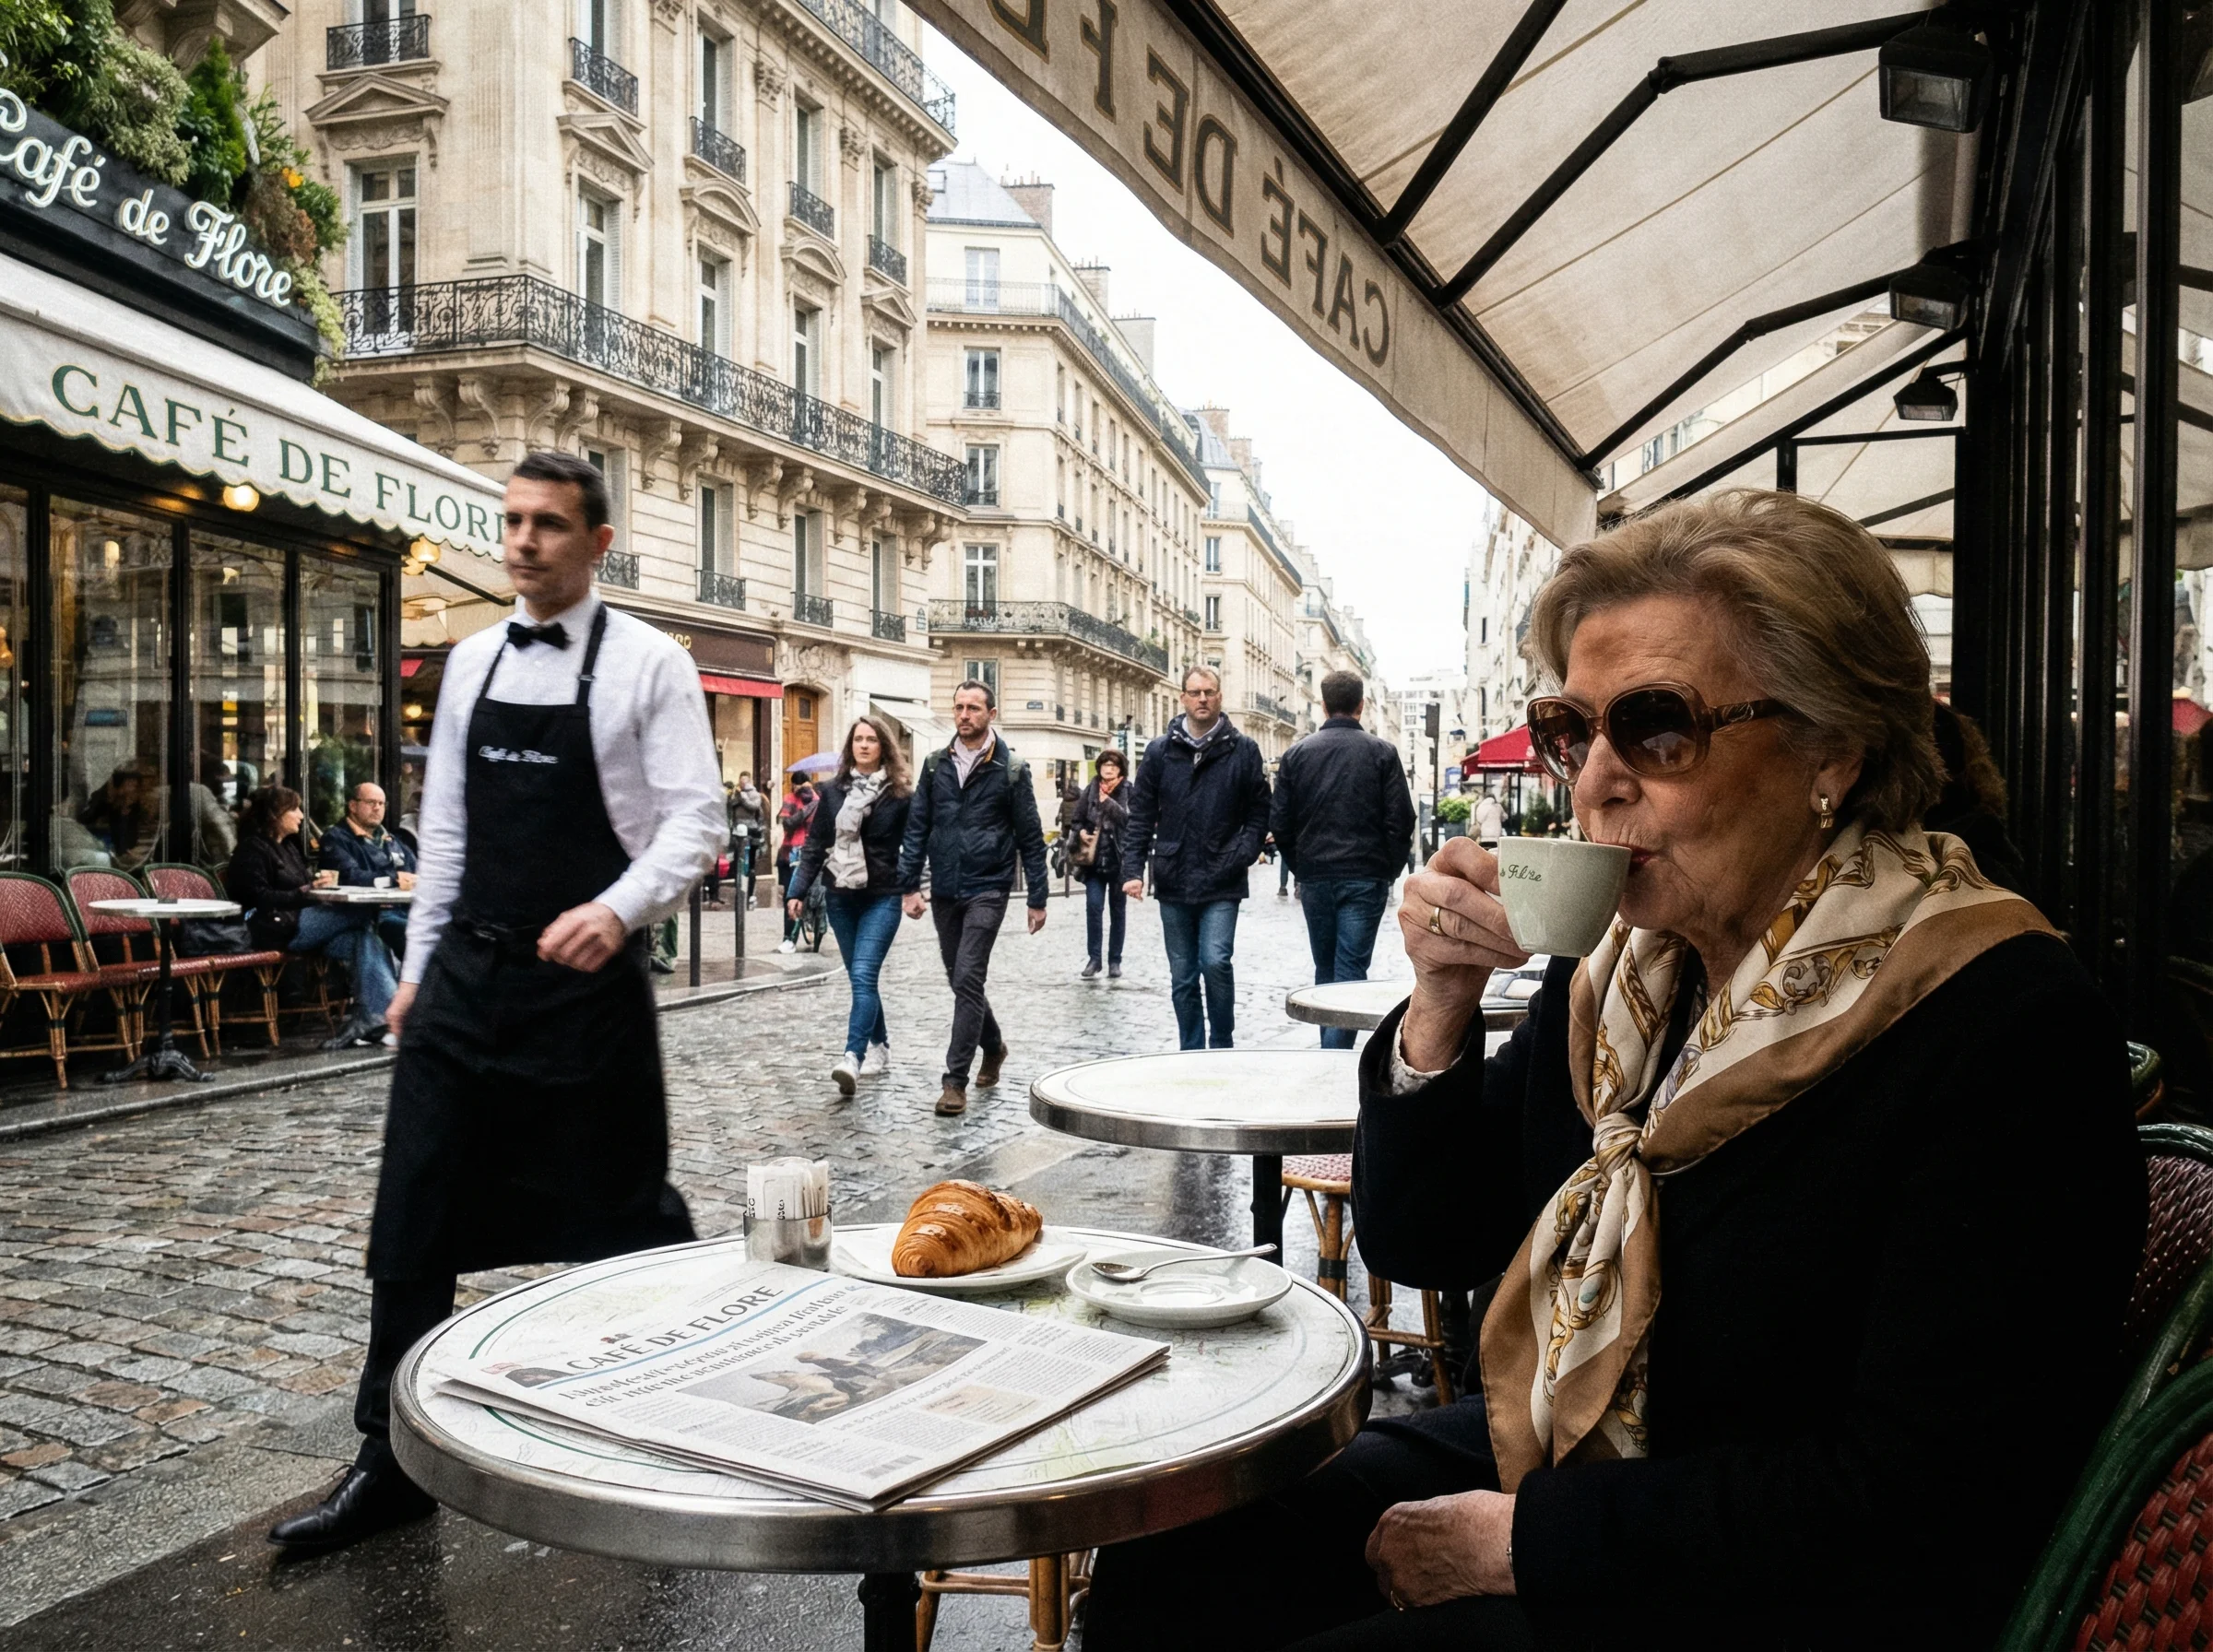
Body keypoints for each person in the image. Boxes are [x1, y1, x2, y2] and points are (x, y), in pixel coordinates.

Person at [1082, 490, 2147, 1651]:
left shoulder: (1997, 1020)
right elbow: (1427, 1236)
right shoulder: (1635, 976)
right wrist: (1438, 1005)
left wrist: (1527, 1543)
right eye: (1570, 731)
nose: (1592, 781)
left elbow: (1926, 1492)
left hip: (1792, 1585)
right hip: (1589, 1455)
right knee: (1183, 1548)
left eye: (1657, 729)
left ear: (1831, 748)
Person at [267, 450, 723, 1555]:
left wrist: (618, 909)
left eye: (550, 525)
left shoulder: (650, 664)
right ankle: (389, 1459)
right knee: (413, 1213)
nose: (523, 541)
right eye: (512, 520)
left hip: (583, 990)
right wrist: (419, 971)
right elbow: (453, 837)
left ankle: (660, 1422)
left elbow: (695, 824)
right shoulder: (470, 659)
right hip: (468, 977)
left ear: (597, 542)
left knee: (618, 1218)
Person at [896, 678, 1048, 1116]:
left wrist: (1037, 896)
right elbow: (917, 828)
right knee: (961, 980)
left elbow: (1031, 837)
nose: (964, 715)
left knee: (967, 975)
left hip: (989, 885)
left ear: (991, 715)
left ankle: (953, 1081)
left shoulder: (1011, 769)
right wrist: (910, 886)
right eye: (959, 707)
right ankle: (995, 1046)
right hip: (945, 887)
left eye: (974, 708)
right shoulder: (933, 765)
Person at [1119, 667, 1272, 1050]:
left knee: (1215, 962)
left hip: (1223, 875)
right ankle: (1191, 1048)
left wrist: (1243, 852)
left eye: (1209, 692)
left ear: (1219, 696)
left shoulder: (1243, 749)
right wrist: (1133, 870)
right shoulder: (1159, 752)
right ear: (1183, 698)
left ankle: (1221, 1043)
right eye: (1195, 692)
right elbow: (1140, 815)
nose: (1202, 698)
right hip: (1173, 875)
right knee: (1183, 974)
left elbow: (1259, 812)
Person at [1271, 670, 1416, 1050]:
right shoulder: (1382, 753)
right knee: (1350, 970)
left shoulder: (1297, 754)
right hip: (1365, 874)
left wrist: (1300, 866)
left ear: (1323, 704)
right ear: (1361, 705)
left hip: (1316, 874)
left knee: (1325, 969)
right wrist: (1388, 870)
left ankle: (1329, 1051)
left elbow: (1281, 823)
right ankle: (1334, 1055)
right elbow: (1401, 820)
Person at [787, 714, 913, 1094]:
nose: (863, 745)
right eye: (858, 739)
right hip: (839, 895)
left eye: (871, 739)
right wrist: (796, 890)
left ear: (883, 747)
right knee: (864, 978)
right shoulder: (833, 791)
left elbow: (916, 845)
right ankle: (880, 1045)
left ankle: (852, 1057)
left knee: (861, 975)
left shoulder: (901, 794)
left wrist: (914, 888)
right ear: (850, 746)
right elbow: (815, 845)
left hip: (882, 897)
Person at [226, 785, 397, 1050]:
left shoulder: (289, 848)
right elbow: (257, 897)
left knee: (363, 938)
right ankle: (388, 1014)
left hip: (299, 923)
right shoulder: (252, 849)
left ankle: (370, 1018)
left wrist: (318, 885)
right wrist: (305, 892)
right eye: (294, 809)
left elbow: (304, 888)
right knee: (365, 912)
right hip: (273, 927)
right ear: (274, 814)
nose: (301, 816)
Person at [317, 781, 417, 961]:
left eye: (381, 804)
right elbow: (351, 876)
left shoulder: (390, 839)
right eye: (371, 802)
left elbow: (415, 872)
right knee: (416, 936)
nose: (377, 808)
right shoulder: (336, 838)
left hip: (402, 910)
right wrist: (394, 879)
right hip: (369, 916)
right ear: (353, 806)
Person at [1069, 749, 1130, 979]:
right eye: (1105, 765)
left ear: (1120, 769)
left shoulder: (1127, 790)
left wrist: (1108, 804)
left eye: (1113, 765)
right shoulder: (1091, 788)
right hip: (1093, 862)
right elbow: (1076, 820)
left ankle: (1115, 960)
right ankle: (1094, 960)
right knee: (1094, 909)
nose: (1108, 768)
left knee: (1118, 912)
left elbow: (1128, 820)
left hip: (1118, 860)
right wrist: (1081, 832)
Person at [776, 776, 818, 952]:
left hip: (799, 851)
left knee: (794, 895)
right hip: (802, 852)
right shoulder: (815, 800)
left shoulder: (799, 799)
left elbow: (786, 823)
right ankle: (799, 931)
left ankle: (791, 938)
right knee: (800, 894)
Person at [728, 772, 768, 908]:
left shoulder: (754, 794)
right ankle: (739, 893)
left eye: (744, 781)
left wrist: (743, 796)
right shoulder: (736, 794)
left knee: (750, 865)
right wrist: (735, 796)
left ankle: (751, 894)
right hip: (737, 833)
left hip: (752, 833)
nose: (741, 784)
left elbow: (753, 806)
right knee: (737, 863)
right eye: (740, 781)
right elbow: (731, 805)